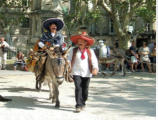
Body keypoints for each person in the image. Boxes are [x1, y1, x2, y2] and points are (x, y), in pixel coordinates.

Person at [68, 32, 99, 113]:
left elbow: (94, 61)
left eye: (82, 41)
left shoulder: (90, 51)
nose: (80, 42)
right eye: (79, 41)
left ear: (86, 43)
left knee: (85, 89)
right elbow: (69, 59)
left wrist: (95, 68)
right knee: (78, 88)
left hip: (87, 72)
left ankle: (83, 102)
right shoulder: (73, 50)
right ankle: (78, 105)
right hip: (76, 72)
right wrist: (68, 68)